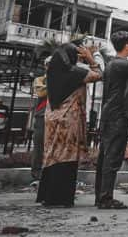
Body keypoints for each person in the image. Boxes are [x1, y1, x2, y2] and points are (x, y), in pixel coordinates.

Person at [37, 43, 102, 207]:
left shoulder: (54, 71)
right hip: (68, 122)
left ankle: (48, 196)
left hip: (52, 119)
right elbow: (99, 75)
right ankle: (61, 198)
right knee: (66, 158)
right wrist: (90, 58)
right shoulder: (75, 73)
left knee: (52, 156)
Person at [95, 32, 128, 209]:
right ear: (127, 45)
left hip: (109, 114)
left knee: (105, 157)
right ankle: (105, 198)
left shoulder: (113, 64)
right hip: (117, 116)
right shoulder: (121, 64)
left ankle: (101, 196)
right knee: (112, 158)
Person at [30, 70, 49, 180]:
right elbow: (41, 92)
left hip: (55, 116)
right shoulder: (40, 80)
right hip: (42, 116)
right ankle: (36, 172)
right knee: (39, 144)